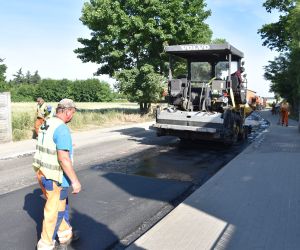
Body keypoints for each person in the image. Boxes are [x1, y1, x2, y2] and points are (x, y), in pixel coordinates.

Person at [33, 98, 81, 250]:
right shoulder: (62, 128)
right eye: (72, 113)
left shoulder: (47, 122)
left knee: (61, 206)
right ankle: (45, 244)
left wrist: (66, 145)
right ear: (67, 112)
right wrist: (75, 181)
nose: (72, 116)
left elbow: (49, 144)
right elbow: (64, 159)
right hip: (54, 177)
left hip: (42, 172)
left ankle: (65, 234)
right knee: (53, 212)